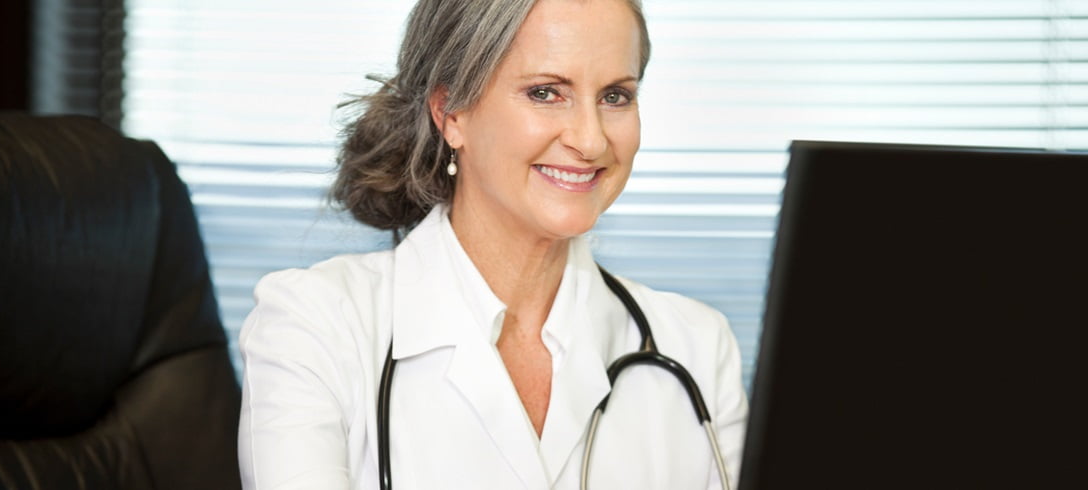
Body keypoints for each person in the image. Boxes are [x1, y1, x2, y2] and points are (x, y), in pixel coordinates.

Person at [237, 0, 748, 488]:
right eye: (546, 92)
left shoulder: (697, 346)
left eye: (615, 96)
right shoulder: (314, 325)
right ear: (451, 113)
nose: (591, 140)